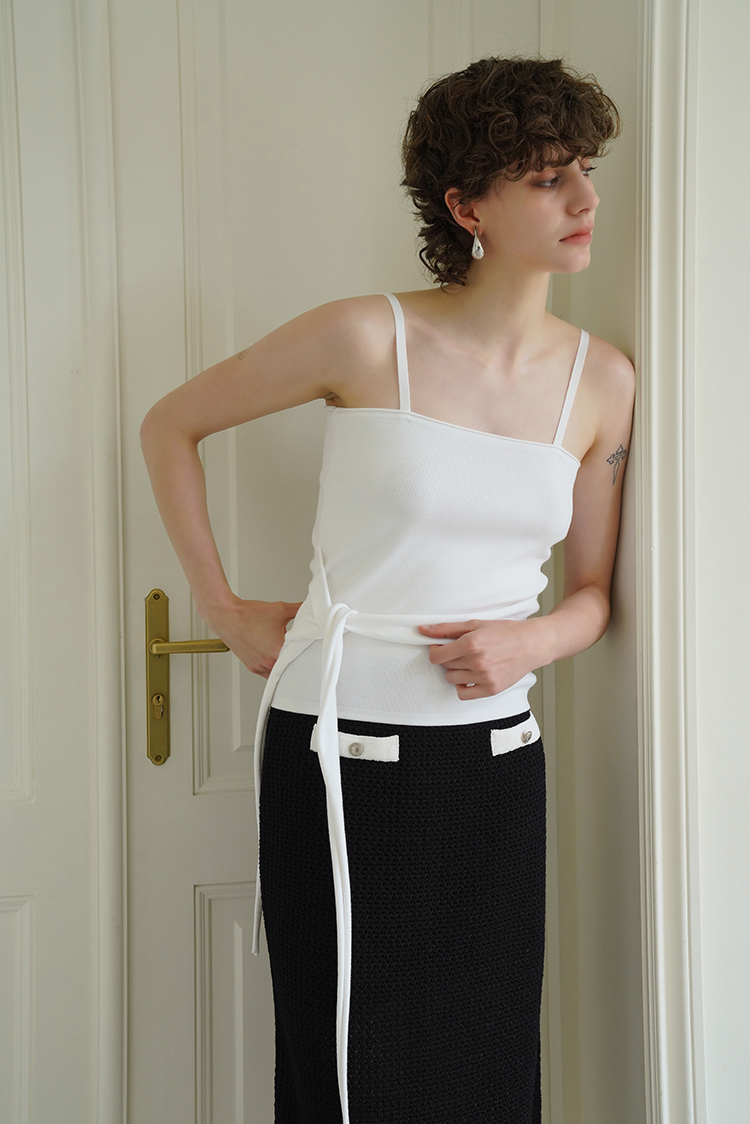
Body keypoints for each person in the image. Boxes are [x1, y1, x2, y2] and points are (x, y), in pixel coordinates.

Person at [141, 55, 634, 1124]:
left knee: (488, 1066)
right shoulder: (365, 337)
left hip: (496, 763)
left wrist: (533, 641)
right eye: (548, 178)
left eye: (585, 170)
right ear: (468, 207)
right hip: (337, 754)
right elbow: (169, 425)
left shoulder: (603, 381)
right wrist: (222, 607)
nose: (585, 200)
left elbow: (594, 591)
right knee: (348, 1068)